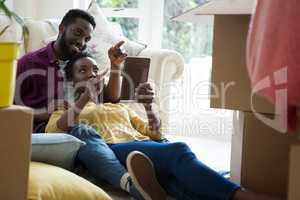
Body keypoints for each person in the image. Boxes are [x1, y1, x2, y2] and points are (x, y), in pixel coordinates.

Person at [45, 52, 282, 200]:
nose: (92, 73)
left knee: (179, 184)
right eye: (83, 70)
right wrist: (86, 97)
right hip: (115, 151)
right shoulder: (64, 107)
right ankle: (244, 196)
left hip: (144, 147)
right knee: (178, 151)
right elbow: (59, 132)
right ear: (70, 80)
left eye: (95, 69)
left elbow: (156, 133)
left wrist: (149, 106)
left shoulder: (118, 107)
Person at [14, 9, 166, 200]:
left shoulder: (82, 64)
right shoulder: (28, 63)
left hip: (81, 126)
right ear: (62, 28)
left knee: (91, 130)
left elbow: (110, 102)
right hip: (47, 131)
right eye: (78, 33)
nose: (81, 42)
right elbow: (6, 109)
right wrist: (45, 113)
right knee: (82, 130)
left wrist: (115, 67)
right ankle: (129, 184)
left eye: (86, 38)